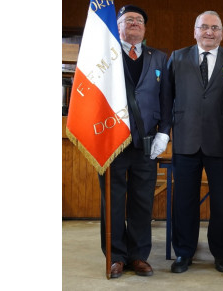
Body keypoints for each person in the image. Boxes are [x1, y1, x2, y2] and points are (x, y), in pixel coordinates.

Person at [97, 5, 173, 279]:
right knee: (113, 201)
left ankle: (139, 255)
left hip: (146, 142)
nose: (134, 23)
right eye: (128, 19)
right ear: (117, 27)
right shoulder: (103, 57)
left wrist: (164, 132)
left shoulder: (160, 58)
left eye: (139, 20)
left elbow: (167, 100)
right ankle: (116, 256)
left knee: (142, 201)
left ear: (145, 28)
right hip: (111, 140)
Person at [167, 11, 223, 274]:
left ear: (222, 32)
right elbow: (167, 98)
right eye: (204, 27)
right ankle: (184, 253)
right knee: (184, 202)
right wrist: (164, 132)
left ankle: (222, 254)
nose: (209, 32)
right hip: (185, 142)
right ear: (195, 31)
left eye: (215, 28)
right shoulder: (177, 57)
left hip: (221, 143)